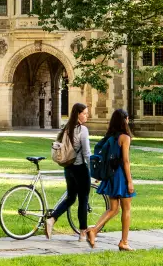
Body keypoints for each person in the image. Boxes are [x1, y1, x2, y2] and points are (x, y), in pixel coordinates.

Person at [83, 108, 135, 250]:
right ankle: (124, 242)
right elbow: (125, 161)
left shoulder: (110, 138)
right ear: (124, 120)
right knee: (126, 209)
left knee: (113, 209)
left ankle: (93, 230)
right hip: (120, 176)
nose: (128, 120)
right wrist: (129, 181)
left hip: (110, 175)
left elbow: (104, 157)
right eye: (127, 118)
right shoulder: (125, 137)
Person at [45, 103, 91, 241]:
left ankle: (52, 219)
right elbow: (87, 153)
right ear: (78, 114)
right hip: (80, 168)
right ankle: (83, 232)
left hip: (68, 167)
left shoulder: (66, 128)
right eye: (84, 113)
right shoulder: (82, 130)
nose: (87, 115)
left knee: (71, 197)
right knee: (83, 199)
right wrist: (93, 169)